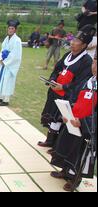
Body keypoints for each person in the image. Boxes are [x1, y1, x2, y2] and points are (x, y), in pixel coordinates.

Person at [50, 28, 96, 191]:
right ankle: (64, 170)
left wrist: (83, 122)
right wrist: (67, 113)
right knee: (66, 146)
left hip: (85, 127)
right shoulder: (89, 80)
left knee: (79, 153)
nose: (95, 65)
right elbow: (74, 96)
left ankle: (74, 178)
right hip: (72, 120)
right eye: (95, 61)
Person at [39, 25, 95, 152]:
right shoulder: (67, 55)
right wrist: (53, 79)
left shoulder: (86, 61)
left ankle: (56, 145)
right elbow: (57, 69)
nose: (72, 43)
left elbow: (81, 82)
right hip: (55, 92)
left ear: (84, 45)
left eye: (76, 41)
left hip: (67, 95)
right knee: (52, 117)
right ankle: (49, 140)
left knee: (61, 120)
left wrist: (63, 86)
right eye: (73, 40)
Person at [0, 20, 22, 107]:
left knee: (7, 81)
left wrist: (6, 62)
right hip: (4, 62)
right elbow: (2, 50)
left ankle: (6, 100)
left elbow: (15, 54)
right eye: (9, 28)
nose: (10, 30)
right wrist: (1, 59)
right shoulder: (6, 38)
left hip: (9, 65)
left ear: (15, 30)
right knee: (1, 79)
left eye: (12, 28)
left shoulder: (17, 40)